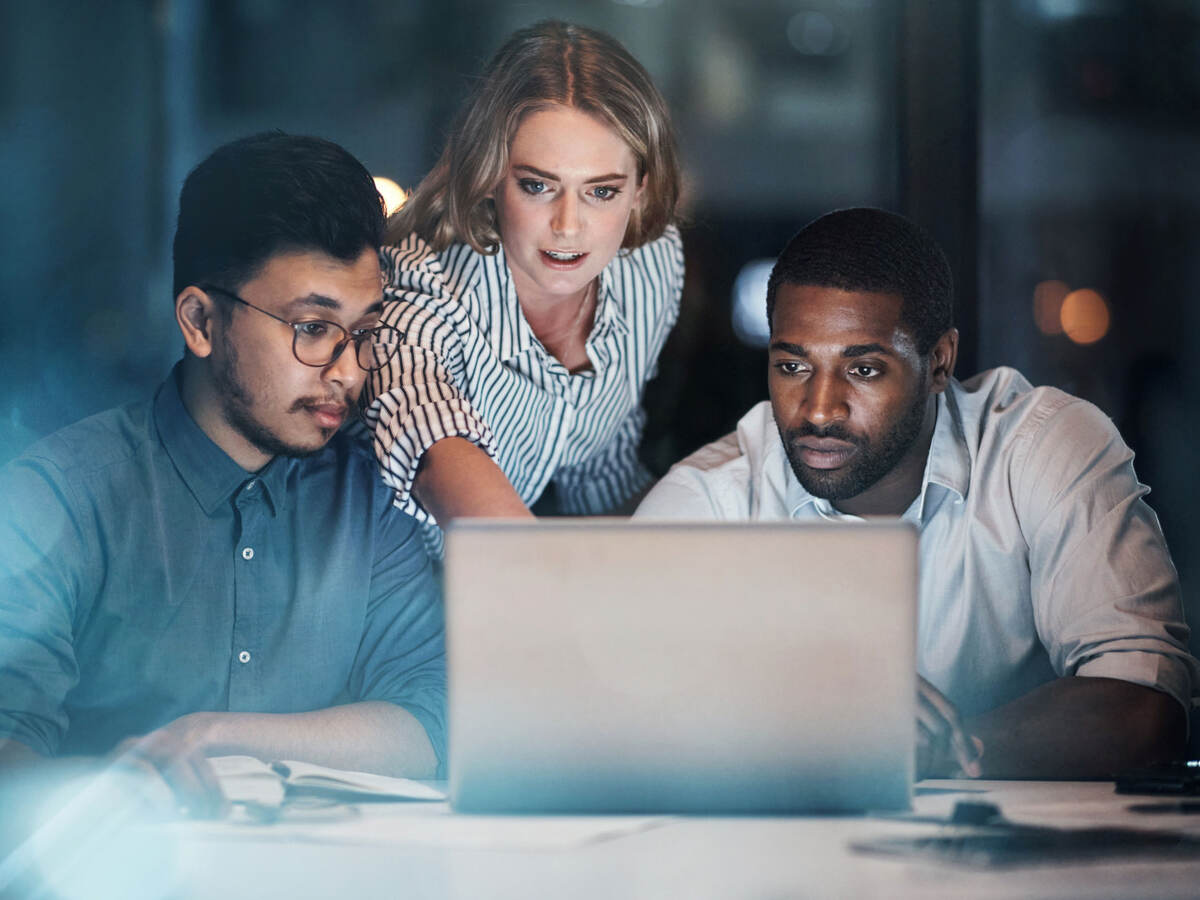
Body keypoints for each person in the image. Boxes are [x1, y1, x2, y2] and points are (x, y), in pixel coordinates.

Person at [636, 207, 1196, 779]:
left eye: (864, 371)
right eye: (793, 367)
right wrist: (798, 717)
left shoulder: (1039, 450)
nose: (819, 408)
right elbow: (618, 721)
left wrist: (926, 754)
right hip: (784, 863)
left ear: (939, 363)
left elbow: (1146, 704)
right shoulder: (705, 504)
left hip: (1019, 861)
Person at [0, 132, 445, 817]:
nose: (350, 371)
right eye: (312, 328)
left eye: (363, 331)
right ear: (201, 321)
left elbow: (433, 719)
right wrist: (115, 790)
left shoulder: (373, 498)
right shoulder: (57, 501)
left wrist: (220, 740)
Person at [364, 20, 683, 552]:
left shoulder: (650, 265)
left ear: (641, 191)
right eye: (537, 186)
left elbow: (599, 470)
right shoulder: (423, 285)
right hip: (385, 595)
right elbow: (430, 438)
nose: (568, 224)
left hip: (514, 586)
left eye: (601, 192)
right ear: (491, 174)